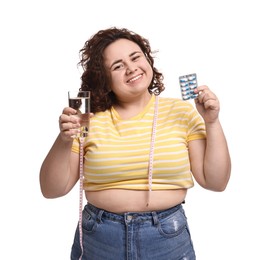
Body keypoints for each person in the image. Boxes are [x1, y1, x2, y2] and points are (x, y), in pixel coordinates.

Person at [39, 27, 231, 260]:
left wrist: (212, 122)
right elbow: (52, 190)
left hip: (166, 238)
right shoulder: (87, 117)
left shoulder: (182, 113)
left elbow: (216, 182)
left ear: (148, 59)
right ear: (105, 79)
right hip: (100, 239)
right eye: (117, 66)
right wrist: (64, 139)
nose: (131, 68)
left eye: (136, 57)